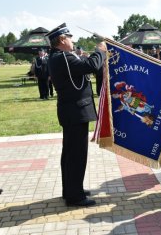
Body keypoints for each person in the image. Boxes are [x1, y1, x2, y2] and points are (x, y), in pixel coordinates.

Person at [45, 23, 106, 207]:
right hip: (75, 112)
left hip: (73, 111)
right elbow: (90, 65)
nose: (72, 40)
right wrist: (100, 50)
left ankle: (72, 189)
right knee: (76, 155)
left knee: (70, 154)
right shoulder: (62, 57)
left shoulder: (59, 57)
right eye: (70, 37)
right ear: (62, 40)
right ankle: (75, 196)